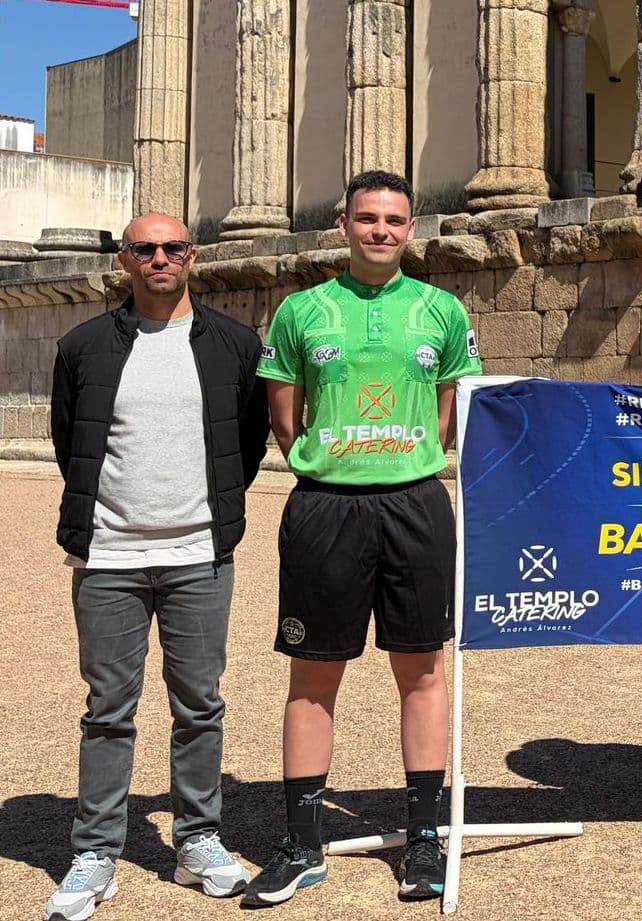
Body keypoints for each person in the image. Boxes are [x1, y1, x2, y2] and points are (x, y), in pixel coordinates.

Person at [242, 170, 483, 906]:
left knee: (423, 670)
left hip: (414, 502)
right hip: (326, 507)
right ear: (342, 225)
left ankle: (422, 839)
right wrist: (334, 459)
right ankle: (302, 843)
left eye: (395, 220)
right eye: (368, 218)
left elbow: (449, 415)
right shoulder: (300, 311)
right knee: (314, 675)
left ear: (412, 230)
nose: (382, 230)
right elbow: (285, 417)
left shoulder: (441, 311)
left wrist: (401, 455)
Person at [46, 213, 269, 920]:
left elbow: (250, 437)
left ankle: (198, 838)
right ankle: (95, 852)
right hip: (109, 554)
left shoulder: (235, 344)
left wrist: (214, 512)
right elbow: (68, 438)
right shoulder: (84, 345)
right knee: (108, 709)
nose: (160, 258)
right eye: (145, 248)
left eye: (173, 247)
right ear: (124, 259)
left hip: (199, 553)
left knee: (199, 702)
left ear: (192, 256)